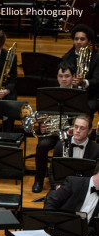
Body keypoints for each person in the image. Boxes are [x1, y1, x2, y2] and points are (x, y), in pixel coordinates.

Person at [32, 62, 77, 193]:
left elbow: (82, 116)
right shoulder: (49, 94)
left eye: (67, 76)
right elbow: (42, 115)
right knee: (42, 146)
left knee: (65, 147)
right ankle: (38, 179)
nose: (64, 79)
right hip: (52, 133)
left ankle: (61, 181)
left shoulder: (79, 94)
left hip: (69, 133)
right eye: (61, 76)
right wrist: (42, 125)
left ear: (73, 76)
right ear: (57, 77)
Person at [48, 115, 99, 188]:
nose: (78, 130)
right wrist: (56, 185)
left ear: (89, 131)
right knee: (50, 199)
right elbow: (52, 169)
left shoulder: (96, 149)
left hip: (85, 188)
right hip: (64, 186)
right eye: (76, 127)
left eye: (82, 128)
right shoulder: (61, 144)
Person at [60, 24, 99, 118]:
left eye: (82, 39)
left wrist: (83, 82)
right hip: (70, 95)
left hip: (89, 96)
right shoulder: (66, 57)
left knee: (87, 106)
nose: (78, 42)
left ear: (89, 41)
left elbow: (97, 81)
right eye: (76, 39)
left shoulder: (96, 58)